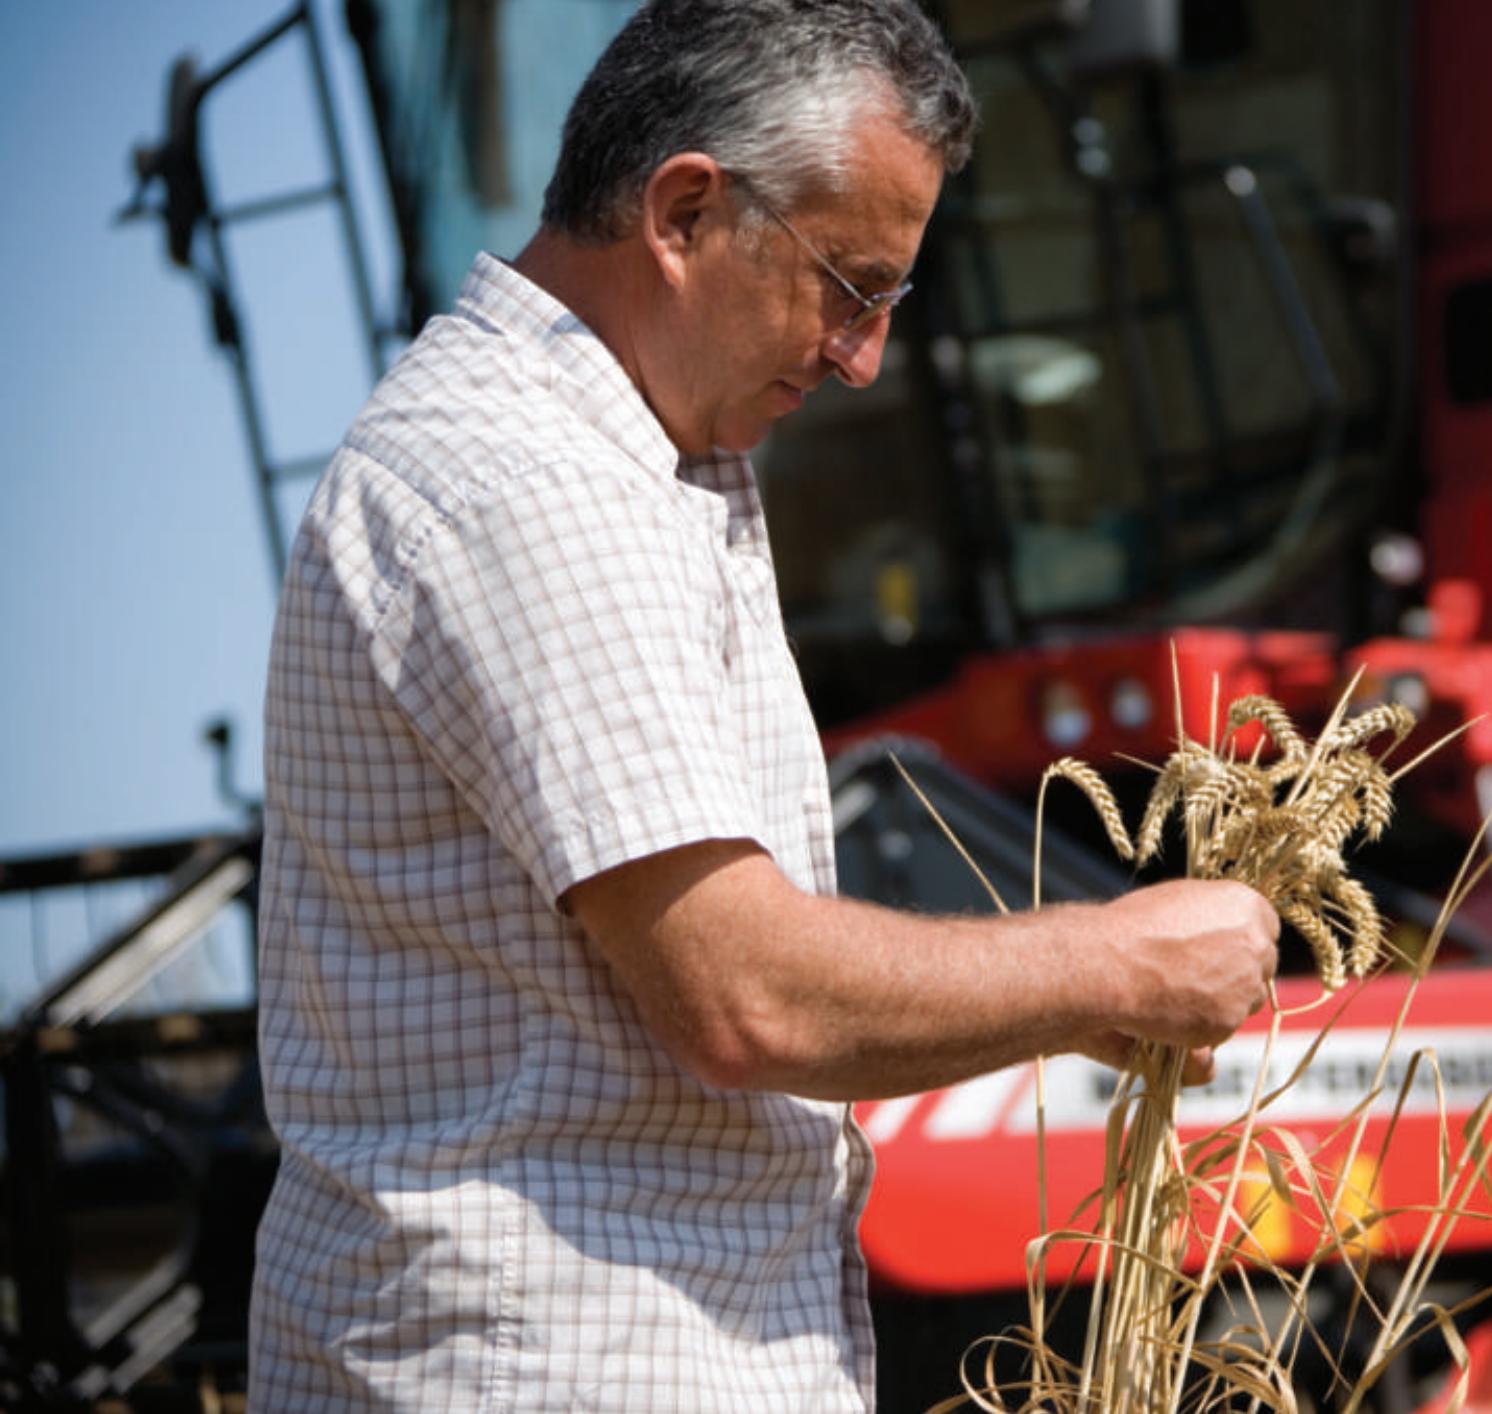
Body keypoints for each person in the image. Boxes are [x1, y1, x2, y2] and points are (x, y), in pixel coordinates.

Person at [247, 1, 1280, 1409]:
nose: (861, 356)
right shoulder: (532, 488)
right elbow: (743, 992)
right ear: (684, 211)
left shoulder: (627, 461)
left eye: (889, 305)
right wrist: (1114, 970)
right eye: (848, 285)